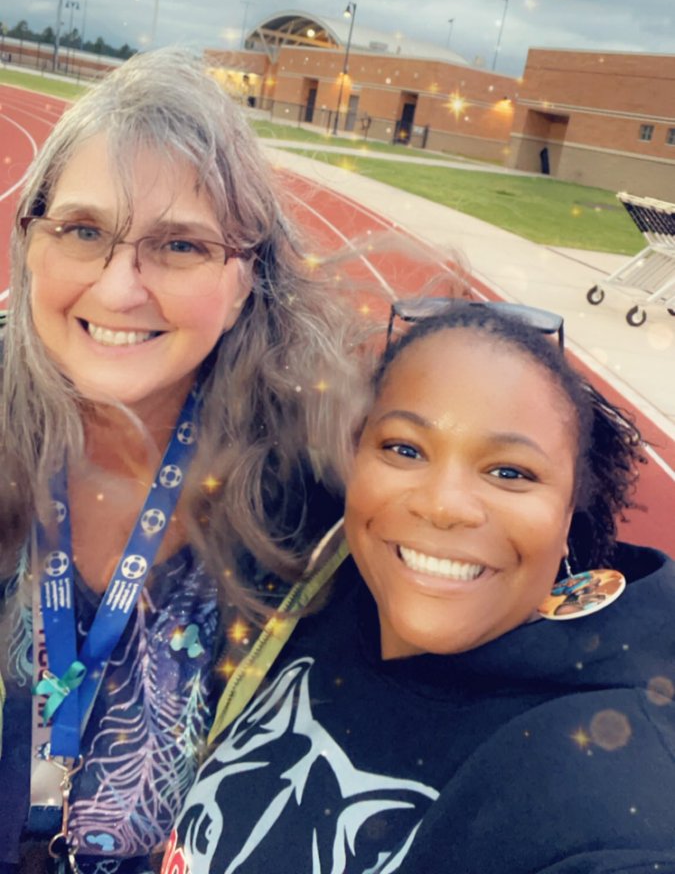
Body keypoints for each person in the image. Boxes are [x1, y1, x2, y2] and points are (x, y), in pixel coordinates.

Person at [0, 50, 361, 873]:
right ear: (30, 243)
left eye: (179, 246)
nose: (120, 288)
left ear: (245, 279)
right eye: (84, 231)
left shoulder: (316, 498)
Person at [166, 300, 675, 874]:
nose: (443, 504)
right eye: (404, 449)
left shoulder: (606, 778)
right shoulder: (316, 587)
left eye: (510, 472)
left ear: (567, 517)